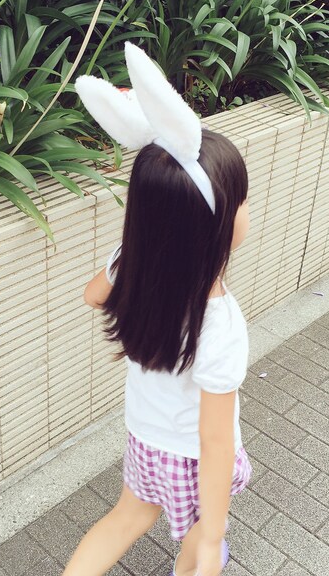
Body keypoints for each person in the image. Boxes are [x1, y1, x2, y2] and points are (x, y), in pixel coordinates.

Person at [63, 43, 251, 576]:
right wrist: (214, 535)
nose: (246, 209)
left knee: (125, 518)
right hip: (191, 458)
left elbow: (92, 295)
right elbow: (215, 441)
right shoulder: (220, 325)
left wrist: (126, 265)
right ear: (213, 227)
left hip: (145, 440)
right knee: (200, 535)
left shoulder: (133, 264)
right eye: (241, 201)